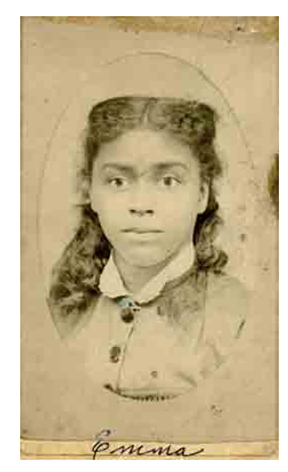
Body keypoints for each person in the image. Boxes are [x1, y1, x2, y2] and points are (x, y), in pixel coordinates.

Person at [48, 96, 249, 401]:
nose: (141, 205)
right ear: (90, 191)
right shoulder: (64, 308)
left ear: (202, 194)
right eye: (117, 181)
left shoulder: (239, 317)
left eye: (168, 181)